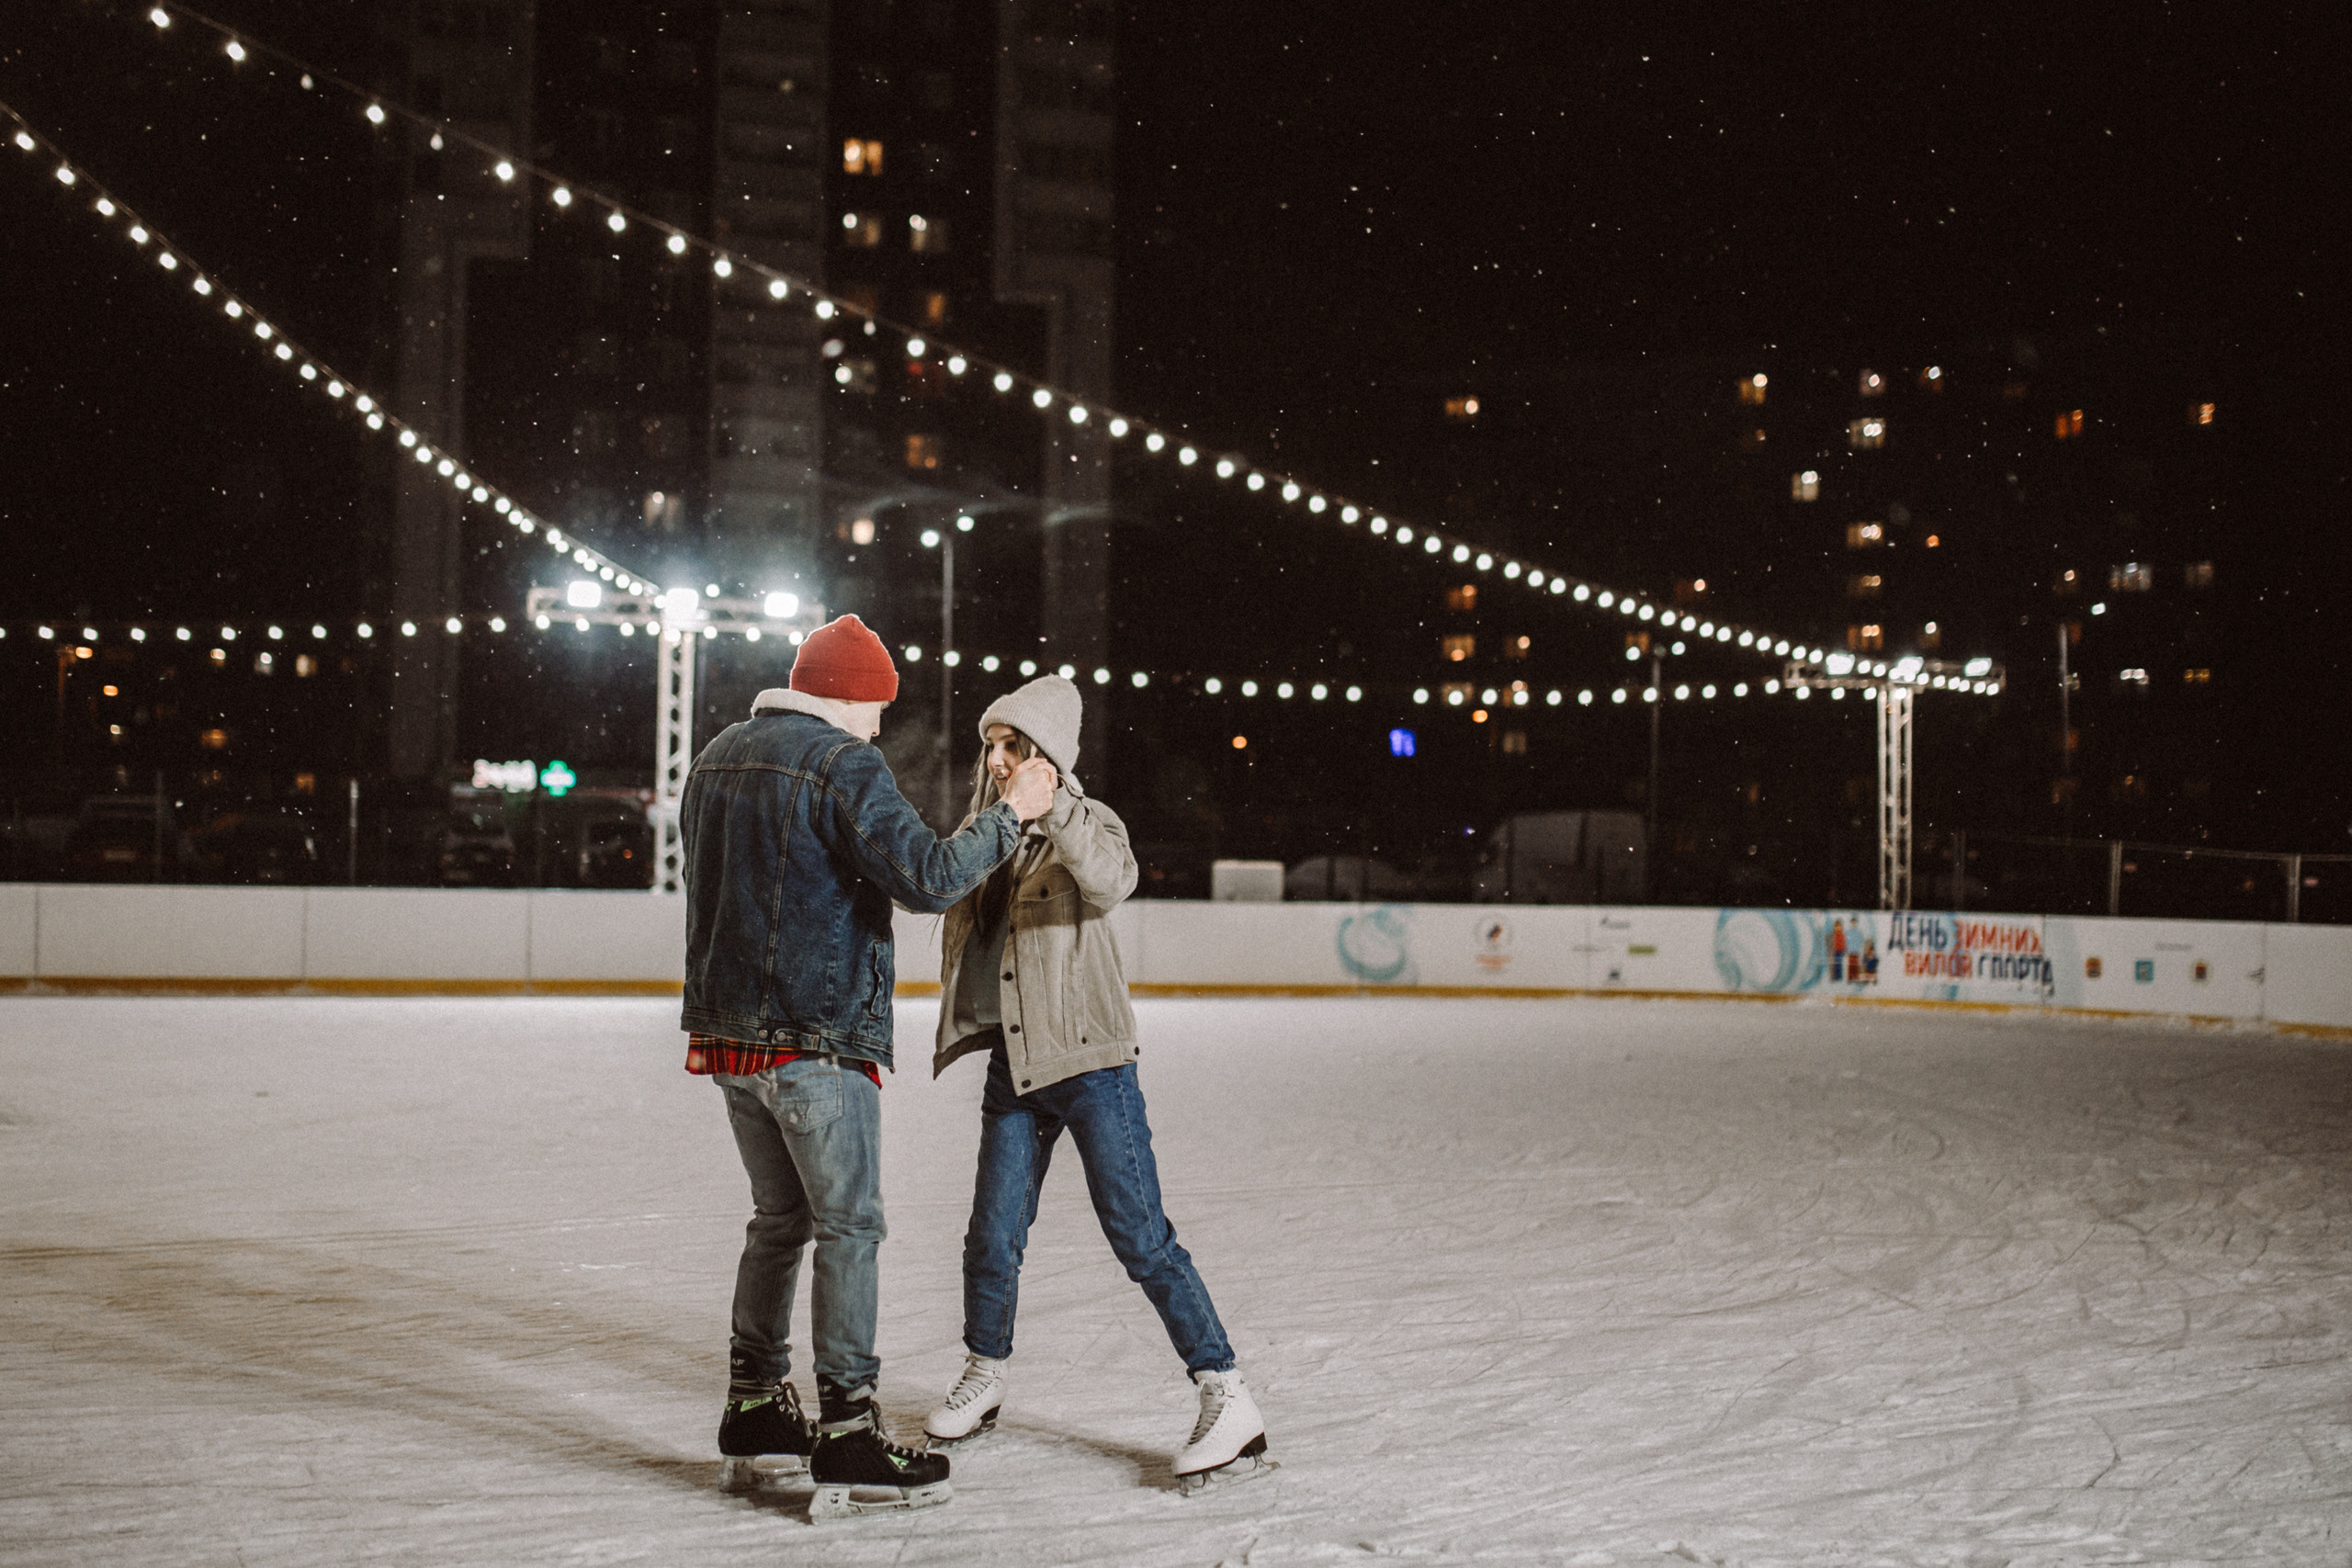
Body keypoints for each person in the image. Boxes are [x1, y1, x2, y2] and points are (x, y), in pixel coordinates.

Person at [679, 614, 1057, 1519]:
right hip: (817, 1040)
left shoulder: (717, 756)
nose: (881, 729)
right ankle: (848, 1425)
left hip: (733, 1041)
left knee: (780, 1220)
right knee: (849, 1225)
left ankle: (757, 1404)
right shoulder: (840, 762)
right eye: (877, 708)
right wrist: (1014, 813)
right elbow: (926, 874)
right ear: (848, 697)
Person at [918, 675, 1273, 1495]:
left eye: (1014, 746)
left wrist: (1055, 807)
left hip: (1091, 1062)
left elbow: (1111, 880)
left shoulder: (1090, 822)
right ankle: (985, 1373)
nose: (998, 760)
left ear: (1046, 753)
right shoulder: (991, 831)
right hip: (1017, 1065)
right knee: (991, 1233)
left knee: (1140, 1233)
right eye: (992, 747)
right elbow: (945, 896)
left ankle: (1226, 1391)